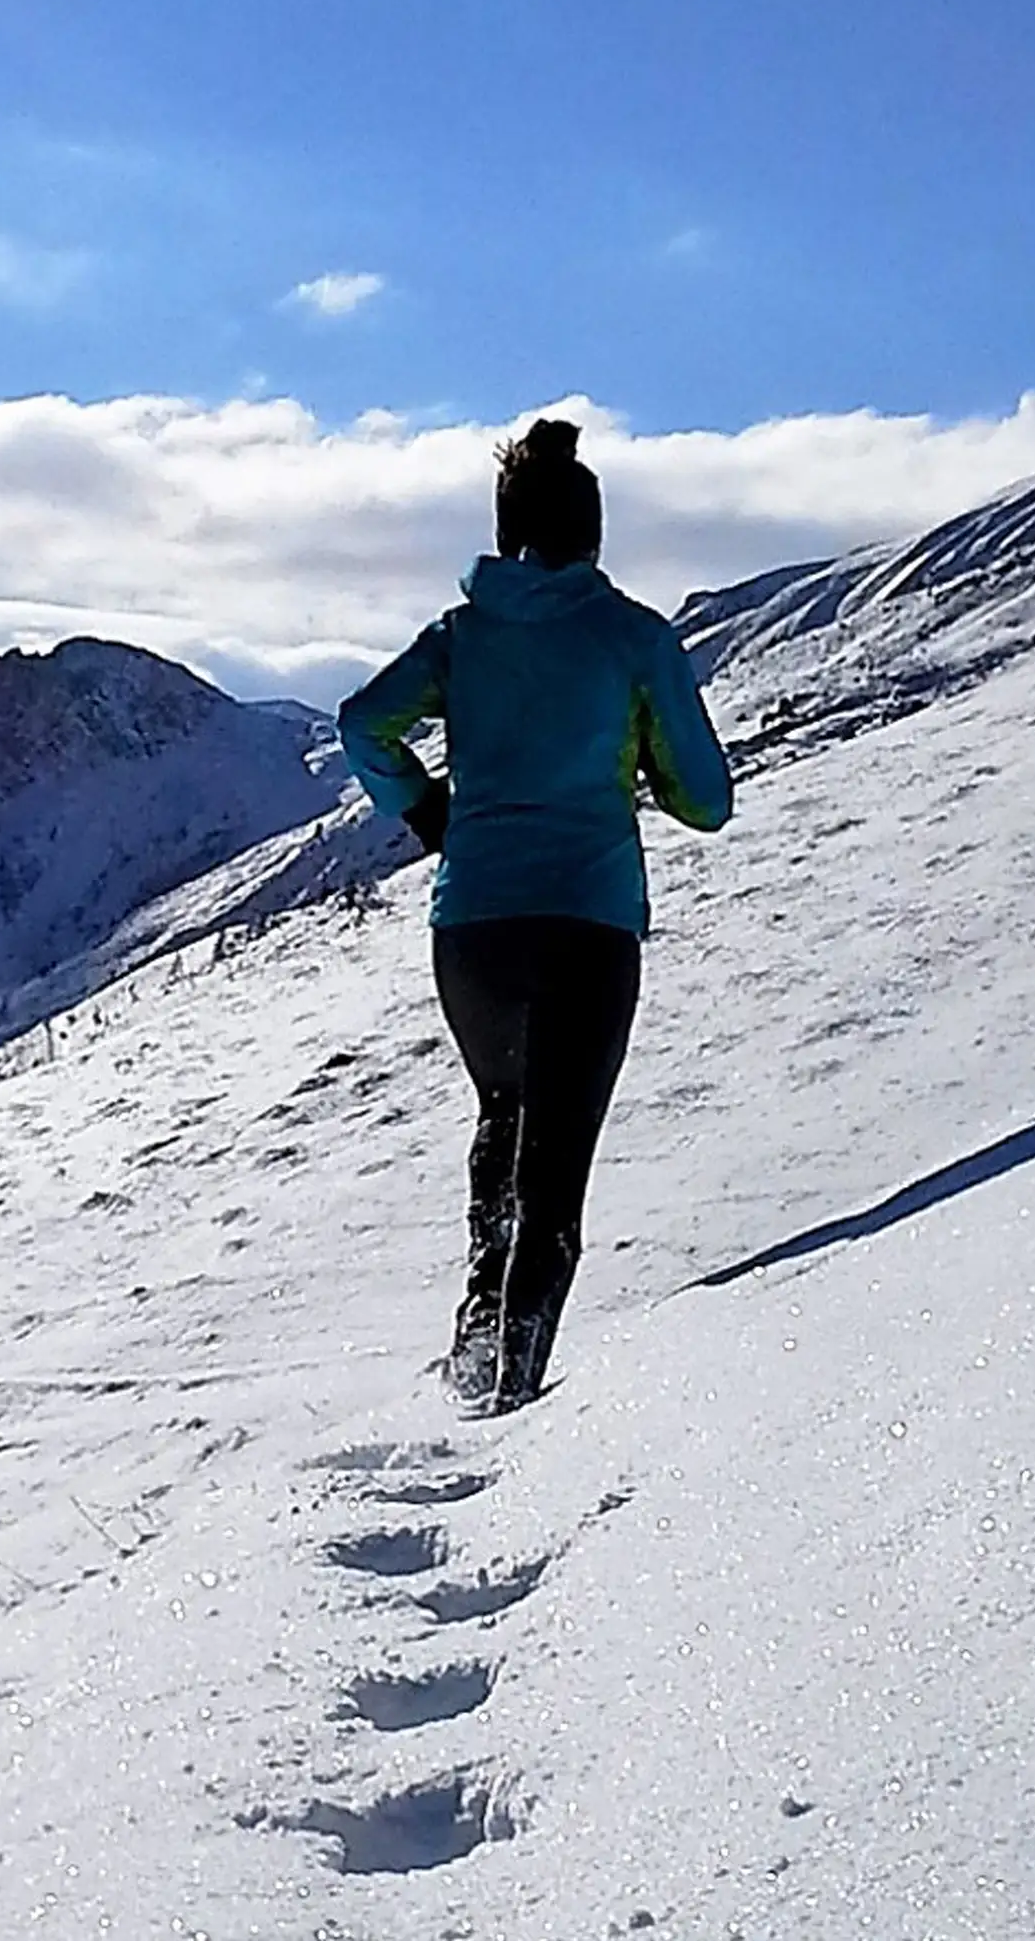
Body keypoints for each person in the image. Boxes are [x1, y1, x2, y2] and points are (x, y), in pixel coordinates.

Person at [337, 419, 733, 1414]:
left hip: (470, 929)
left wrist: (428, 811)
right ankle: (508, 1401)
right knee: (554, 1166)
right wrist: (639, 763)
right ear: (593, 533)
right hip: (585, 925)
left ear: (504, 530)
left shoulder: (460, 635)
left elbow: (362, 723)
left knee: (503, 1115)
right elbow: (706, 800)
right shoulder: (633, 638)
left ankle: (475, 1353)